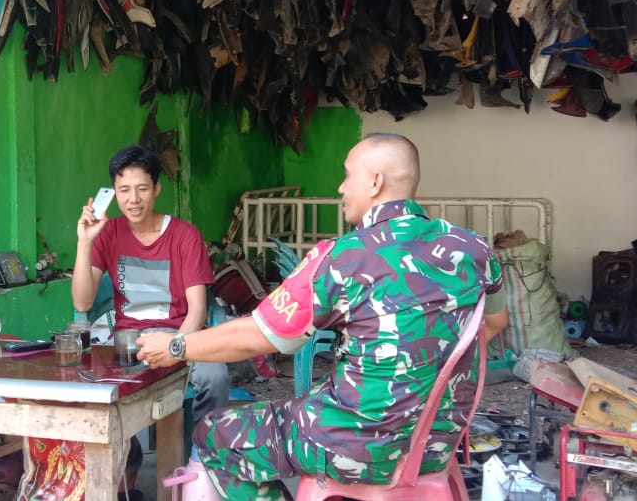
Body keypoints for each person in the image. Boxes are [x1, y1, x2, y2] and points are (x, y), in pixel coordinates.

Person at [137, 133, 504, 499]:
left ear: (375, 182)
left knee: (216, 433)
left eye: (347, 175)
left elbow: (259, 336)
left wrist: (176, 346)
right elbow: (494, 322)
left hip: (357, 447)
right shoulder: (474, 248)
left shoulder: (344, 258)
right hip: (438, 443)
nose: (341, 187)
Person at [72, 145, 231, 421]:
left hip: (180, 334)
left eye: (142, 189)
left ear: (156, 189)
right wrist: (85, 242)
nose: (133, 199)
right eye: (124, 190)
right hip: (129, 340)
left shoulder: (185, 236)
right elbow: (82, 303)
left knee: (215, 376)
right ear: (114, 192)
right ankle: (132, 448)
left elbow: (197, 310)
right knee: (93, 385)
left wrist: (174, 347)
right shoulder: (107, 233)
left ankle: (205, 445)